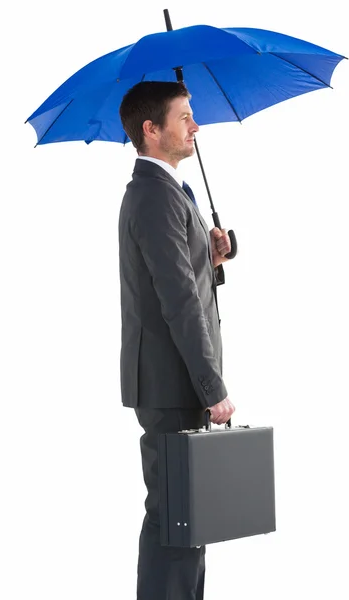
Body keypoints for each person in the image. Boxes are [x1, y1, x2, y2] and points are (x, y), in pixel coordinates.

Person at [118, 80, 235, 600]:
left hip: (176, 380)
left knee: (191, 519)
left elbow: (180, 279)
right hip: (172, 384)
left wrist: (211, 258)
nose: (195, 126)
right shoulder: (152, 195)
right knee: (176, 520)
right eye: (184, 117)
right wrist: (213, 388)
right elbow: (178, 303)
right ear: (151, 129)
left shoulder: (170, 191)